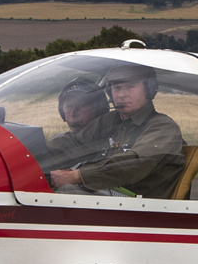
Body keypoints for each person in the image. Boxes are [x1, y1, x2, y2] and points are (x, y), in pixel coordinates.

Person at [48, 63, 186, 198]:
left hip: (141, 208)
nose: (121, 95)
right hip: (110, 197)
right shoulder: (110, 120)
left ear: (148, 89)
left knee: (65, 192)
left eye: (130, 87)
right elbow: (73, 143)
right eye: (117, 87)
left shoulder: (163, 127)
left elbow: (135, 164)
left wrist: (76, 176)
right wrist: (33, 154)